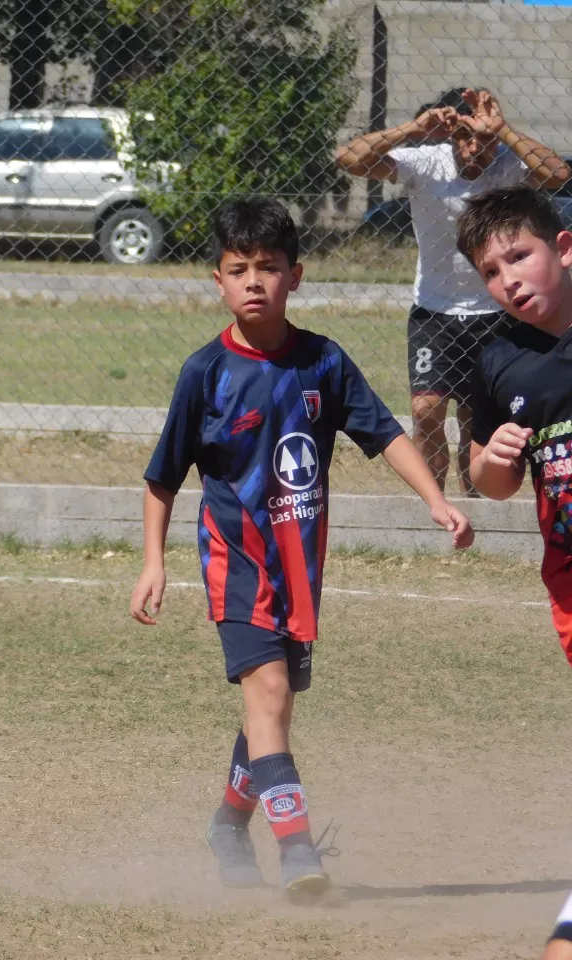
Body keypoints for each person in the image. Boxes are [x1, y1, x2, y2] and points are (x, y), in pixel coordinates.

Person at [129, 197, 474, 900]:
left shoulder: (323, 362)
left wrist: (437, 500)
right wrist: (153, 563)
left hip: (300, 572)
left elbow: (385, 435)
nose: (254, 281)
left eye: (269, 267)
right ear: (218, 281)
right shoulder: (206, 373)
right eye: (238, 269)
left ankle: (228, 825)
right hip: (238, 567)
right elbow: (162, 477)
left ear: (297, 276)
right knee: (271, 694)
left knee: (272, 713)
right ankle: (298, 858)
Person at [335, 87, 569, 495]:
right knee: (425, 410)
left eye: (483, 138)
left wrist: (503, 130)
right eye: (464, 136)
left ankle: (473, 498)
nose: (474, 147)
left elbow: (560, 175)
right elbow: (347, 159)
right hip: (435, 309)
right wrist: (413, 128)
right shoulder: (426, 161)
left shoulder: (509, 163)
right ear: (449, 136)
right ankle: (435, 498)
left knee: (473, 417)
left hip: (494, 309)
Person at [458, 187, 572, 957]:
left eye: (520, 255)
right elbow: (484, 480)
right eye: (492, 270)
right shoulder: (495, 357)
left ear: (564, 248)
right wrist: (496, 460)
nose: (510, 279)